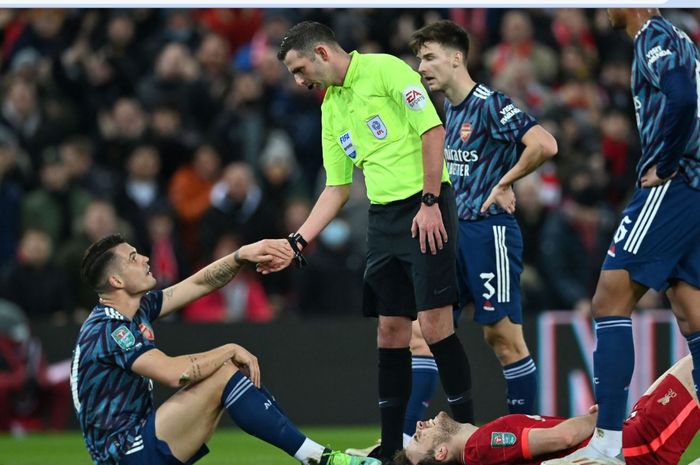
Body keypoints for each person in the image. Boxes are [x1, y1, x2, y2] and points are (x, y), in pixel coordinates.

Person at [274, 21, 474, 463]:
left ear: (323, 53)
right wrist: (297, 241)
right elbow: (336, 187)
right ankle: (389, 449)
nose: (298, 80)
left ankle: (468, 434)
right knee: (390, 331)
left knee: (436, 325)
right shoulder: (331, 107)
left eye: (299, 68)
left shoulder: (386, 71)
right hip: (383, 219)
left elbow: (432, 131)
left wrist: (428, 200)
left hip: (426, 203)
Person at [70, 233, 380, 465]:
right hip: (125, 453)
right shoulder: (110, 329)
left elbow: (198, 284)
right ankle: (322, 459)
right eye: (133, 257)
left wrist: (242, 255)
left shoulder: (133, 310)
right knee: (221, 375)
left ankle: (320, 456)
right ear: (115, 280)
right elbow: (173, 373)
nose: (145, 259)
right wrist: (228, 348)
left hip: (139, 440)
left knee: (224, 378)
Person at [553, 8, 700, 464]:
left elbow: (681, 96)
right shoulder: (675, 37)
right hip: (692, 188)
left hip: (675, 185)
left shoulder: (653, 35)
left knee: (609, 299)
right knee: (692, 316)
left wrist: (667, 160)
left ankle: (608, 444)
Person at [408, 20, 558, 414]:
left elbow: (544, 143)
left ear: (457, 58)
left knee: (502, 337)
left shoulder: (490, 103)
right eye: (419, 59)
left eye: (429, 57)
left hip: (489, 232)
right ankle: (401, 444)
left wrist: (506, 181)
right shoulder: (449, 109)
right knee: (423, 331)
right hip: (453, 234)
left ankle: (524, 440)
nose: (421, 67)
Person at [394, 354, 700, 465]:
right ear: (442, 454)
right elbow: (561, 438)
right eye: (420, 439)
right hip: (636, 446)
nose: (419, 427)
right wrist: (598, 418)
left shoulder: (481, 448)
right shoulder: (481, 445)